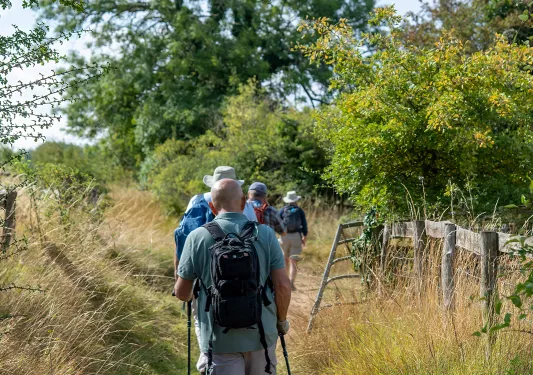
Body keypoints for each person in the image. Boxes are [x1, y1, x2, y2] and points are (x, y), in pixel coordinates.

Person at [175, 179, 292, 375]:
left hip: (217, 339)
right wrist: (280, 322)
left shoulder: (196, 237)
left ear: (212, 206)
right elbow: (283, 286)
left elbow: (182, 293)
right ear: (243, 201)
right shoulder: (266, 234)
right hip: (261, 335)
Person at [173, 166, 257, 374]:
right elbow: (257, 241)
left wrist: (180, 278)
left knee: (204, 318)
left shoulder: (196, 201)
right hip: (247, 278)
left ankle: (208, 360)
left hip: (203, 277)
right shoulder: (243, 204)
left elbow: (182, 239)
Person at [278, 191, 308, 291]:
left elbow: (277, 223)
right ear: (296, 200)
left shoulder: (282, 210)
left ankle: (284, 281)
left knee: (284, 259)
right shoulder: (299, 211)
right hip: (296, 236)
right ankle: (291, 283)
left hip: (284, 236)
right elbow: (304, 226)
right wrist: (304, 238)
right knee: (293, 261)